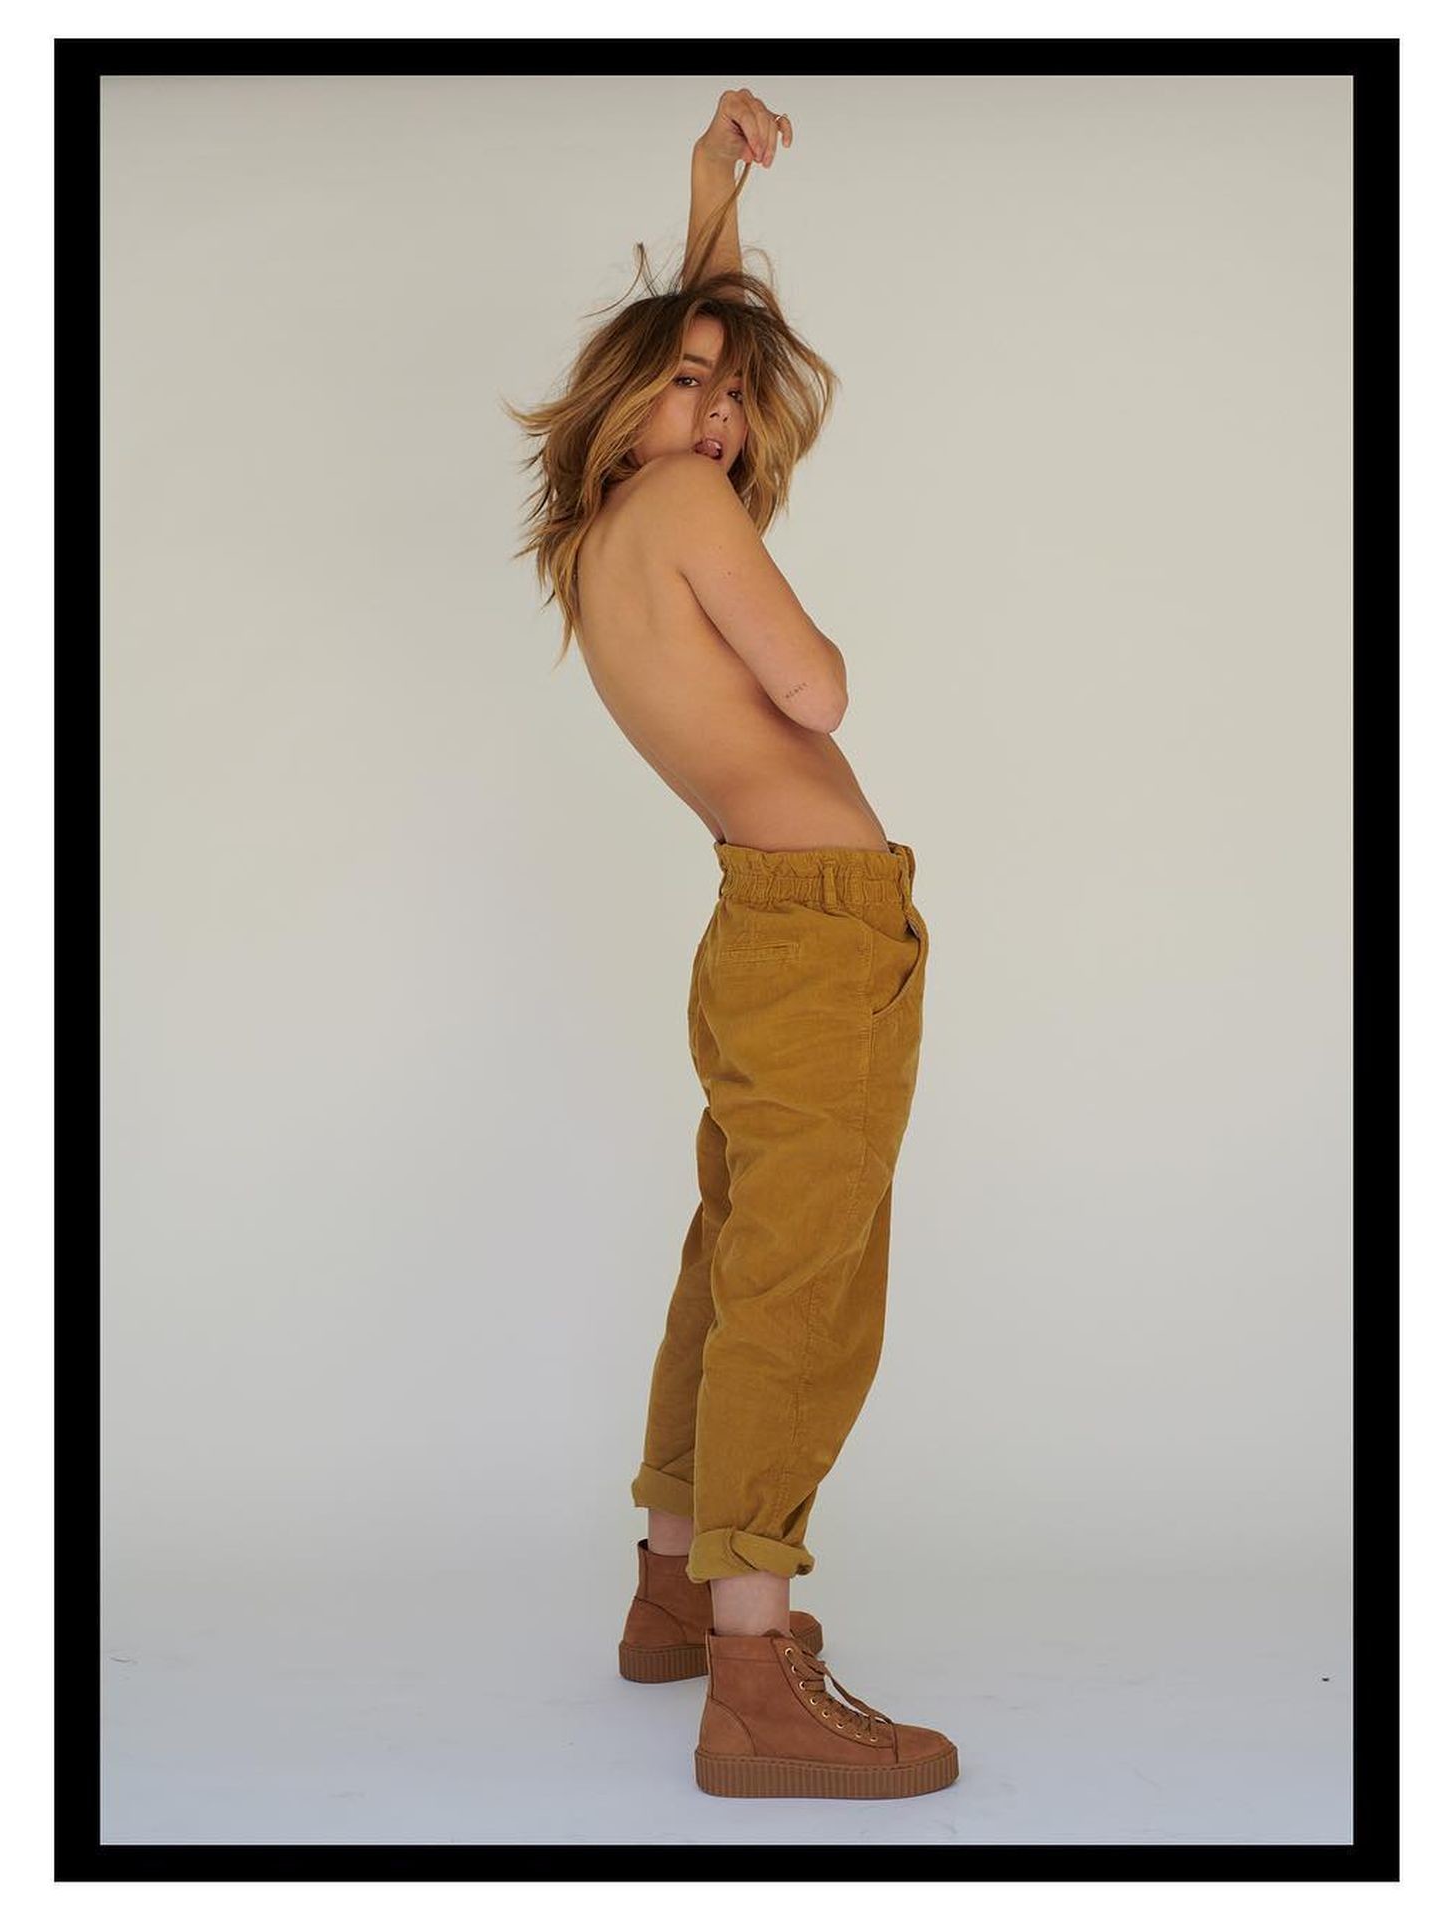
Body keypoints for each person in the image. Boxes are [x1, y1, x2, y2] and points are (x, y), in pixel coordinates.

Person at [504, 89, 957, 1800]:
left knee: (732, 1259)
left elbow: (694, 350)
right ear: (627, 398)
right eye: (688, 385)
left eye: (732, 388)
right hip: (816, 936)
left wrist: (710, 198)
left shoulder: (599, 539)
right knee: (799, 1290)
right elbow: (816, 691)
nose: (718, 411)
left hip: (759, 929)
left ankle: (675, 1596)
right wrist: (802, 626)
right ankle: (756, 1676)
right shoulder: (694, 505)